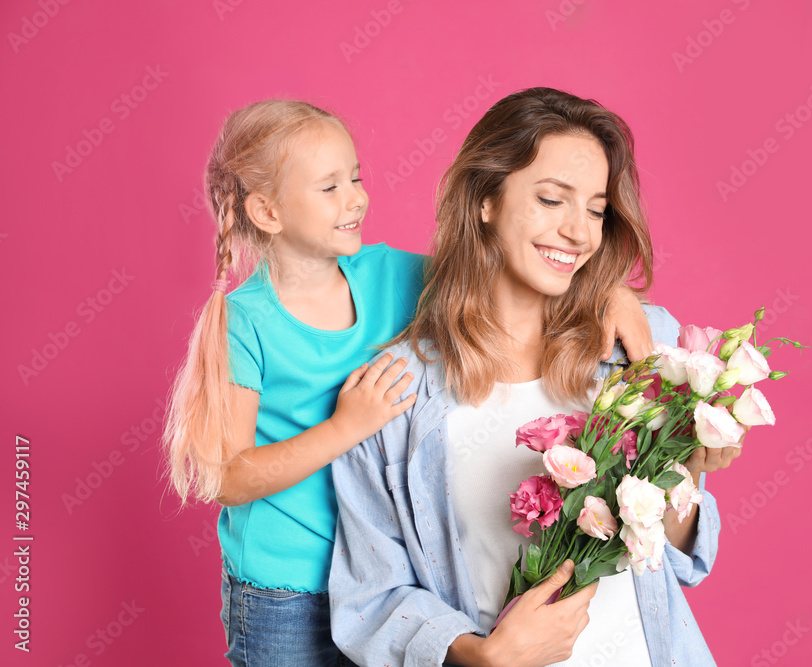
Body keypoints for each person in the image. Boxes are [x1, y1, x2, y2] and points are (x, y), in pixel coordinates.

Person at [162, 98, 655, 666]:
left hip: (391, 573)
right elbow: (229, 476)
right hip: (288, 591)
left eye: (356, 177)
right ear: (267, 212)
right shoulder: (243, 321)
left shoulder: (392, 275)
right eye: (330, 188)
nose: (356, 198)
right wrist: (347, 426)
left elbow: (505, 268)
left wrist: (612, 293)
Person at [329, 87, 742, 667]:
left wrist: (686, 476)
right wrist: (479, 655)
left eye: (596, 210)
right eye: (552, 200)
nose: (578, 232)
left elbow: (675, 560)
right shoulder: (394, 392)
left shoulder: (639, 349)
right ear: (486, 200)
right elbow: (372, 595)